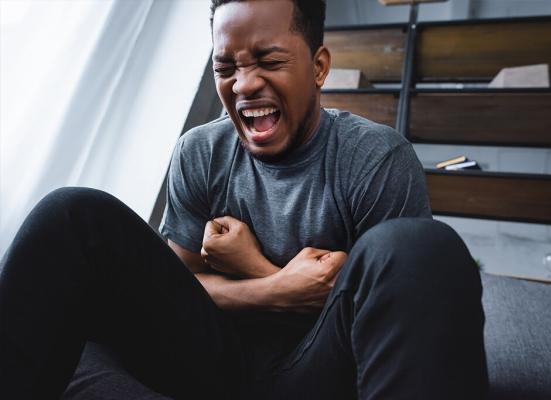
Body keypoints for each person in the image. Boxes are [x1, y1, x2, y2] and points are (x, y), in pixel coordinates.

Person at [0, 0, 488, 398]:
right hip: (208, 361)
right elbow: (185, 284)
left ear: (318, 68)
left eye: (269, 61)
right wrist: (277, 288)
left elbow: (384, 318)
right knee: (71, 215)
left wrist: (251, 264)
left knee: (423, 248)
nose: (244, 83)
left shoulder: (376, 159)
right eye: (226, 66)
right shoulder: (200, 151)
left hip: (319, 372)